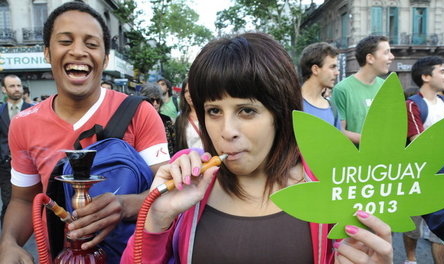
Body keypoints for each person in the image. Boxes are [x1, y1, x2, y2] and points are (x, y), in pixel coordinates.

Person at [121, 32, 393, 264]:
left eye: (247, 110)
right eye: (214, 110)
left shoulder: (328, 180)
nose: (227, 131)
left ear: (281, 112)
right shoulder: (185, 176)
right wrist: (156, 222)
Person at [0, 2, 170, 264]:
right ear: (47, 52)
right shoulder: (23, 123)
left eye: (91, 44)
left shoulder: (140, 113)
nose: (78, 51)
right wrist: (8, 243)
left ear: (105, 58)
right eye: (65, 41)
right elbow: (23, 199)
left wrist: (126, 205)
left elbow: (167, 190)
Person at [403, 56, 444, 264]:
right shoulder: (414, 105)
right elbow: (418, 143)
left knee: (439, 235)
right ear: (426, 77)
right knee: (412, 227)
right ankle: (411, 259)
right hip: (422, 178)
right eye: (442, 71)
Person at [331, 35, 395, 144]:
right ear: (370, 58)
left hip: (383, 158)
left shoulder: (386, 87)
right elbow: (339, 130)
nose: (392, 57)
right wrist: (370, 141)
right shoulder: (342, 89)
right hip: (356, 159)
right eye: (386, 52)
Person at [0, 75, 33, 226]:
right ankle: (7, 239)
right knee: (8, 202)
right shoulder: (0, 111)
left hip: (31, 166)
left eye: (19, 85)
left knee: (31, 202)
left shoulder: (33, 110)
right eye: (12, 86)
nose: (17, 89)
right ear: (4, 89)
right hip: (6, 166)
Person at [300, 42, 341, 129]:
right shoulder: (289, 105)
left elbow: (337, 142)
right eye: (332, 67)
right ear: (315, 69)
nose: (337, 72)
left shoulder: (332, 108)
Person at [140, 82, 176, 156]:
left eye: (158, 100)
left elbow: (174, 144)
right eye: (152, 100)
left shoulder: (166, 120)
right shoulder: (138, 121)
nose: (155, 103)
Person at [174, 79, 203, 152]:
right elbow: (179, 147)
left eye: (192, 90)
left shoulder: (210, 115)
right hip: (192, 161)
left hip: (212, 160)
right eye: (186, 91)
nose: (189, 94)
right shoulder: (180, 119)